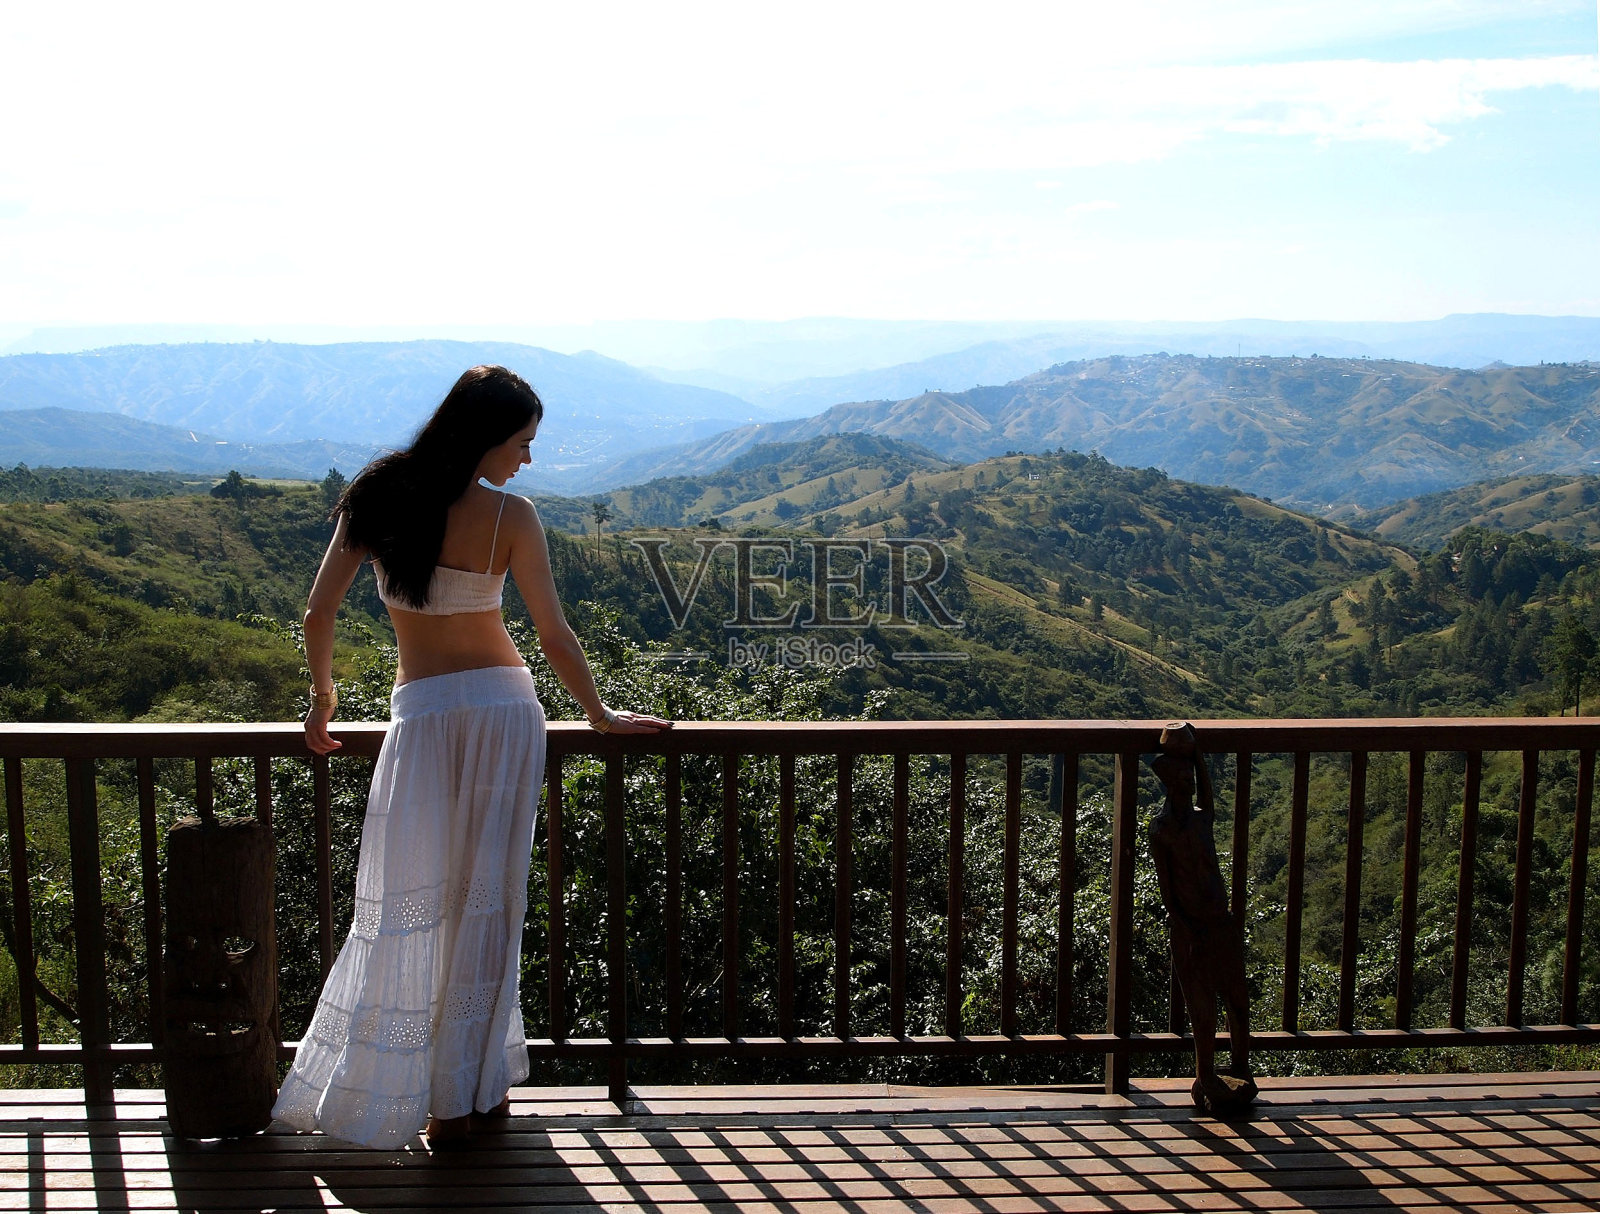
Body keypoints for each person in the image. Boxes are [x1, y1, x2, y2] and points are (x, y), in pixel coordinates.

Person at [271, 365, 670, 1150]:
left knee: (405, 902)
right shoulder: (510, 516)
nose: (525, 460)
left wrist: (322, 700)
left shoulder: (378, 498)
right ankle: (467, 1095)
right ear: (484, 435)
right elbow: (553, 635)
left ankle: (418, 1089)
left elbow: (318, 613)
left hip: (423, 715)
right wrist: (596, 714)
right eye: (520, 443)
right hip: (503, 712)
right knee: (487, 902)